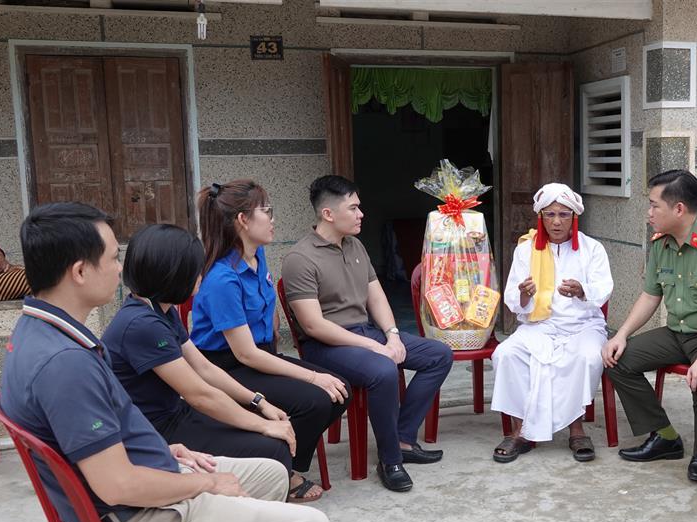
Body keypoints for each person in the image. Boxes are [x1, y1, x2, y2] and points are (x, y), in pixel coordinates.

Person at [0, 202, 332, 522]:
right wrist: (206, 483)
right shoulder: (66, 364)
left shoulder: (38, 333)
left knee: (270, 473)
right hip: (139, 521)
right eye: (113, 259)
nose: (120, 271)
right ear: (80, 271)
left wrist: (162, 452)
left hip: (147, 472)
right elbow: (117, 484)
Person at [102, 223, 336, 503]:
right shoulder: (142, 325)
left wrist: (259, 403)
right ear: (171, 273)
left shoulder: (158, 311)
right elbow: (199, 394)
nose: (201, 275)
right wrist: (261, 424)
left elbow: (203, 368)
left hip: (176, 415)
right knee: (272, 446)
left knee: (274, 435)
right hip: (157, 430)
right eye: (195, 269)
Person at [281, 175, 453, 493]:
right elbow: (314, 326)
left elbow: (376, 296)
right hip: (326, 344)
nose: (361, 214)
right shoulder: (300, 259)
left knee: (439, 355)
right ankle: (390, 461)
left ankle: (401, 438)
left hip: (366, 334)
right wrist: (375, 348)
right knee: (383, 369)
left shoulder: (355, 245)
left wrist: (393, 336)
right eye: (354, 208)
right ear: (328, 214)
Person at [190, 180, 350, 503]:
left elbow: (269, 317)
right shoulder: (222, 278)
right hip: (228, 367)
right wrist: (311, 375)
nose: (273, 219)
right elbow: (245, 354)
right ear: (243, 221)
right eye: (267, 211)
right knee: (316, 398)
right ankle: (283, 475)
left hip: (260, 355)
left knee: (338, 390)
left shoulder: (257, 254)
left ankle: (283, 462)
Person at [602, 169, 697, 483]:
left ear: (679, 209)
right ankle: (665, 437)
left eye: (655, 205)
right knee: (618, 360)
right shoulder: (661, 243)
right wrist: (621, 335)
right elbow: (650, 295)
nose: (649, 212)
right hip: (679, 332)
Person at [491, 183, 613, 463]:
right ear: (541, 217)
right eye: (550, 214)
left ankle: (576, 428)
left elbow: (603, 288)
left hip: (583, 325)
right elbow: (512, 296)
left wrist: (582, 291)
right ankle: (520, 431)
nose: (556, 221)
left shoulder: (592, 249)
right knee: (506, 354)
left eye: (563, 214)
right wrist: (524, 293)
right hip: (540, 325)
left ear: (574, 217)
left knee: (587, 357)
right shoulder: (526, 251)